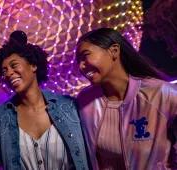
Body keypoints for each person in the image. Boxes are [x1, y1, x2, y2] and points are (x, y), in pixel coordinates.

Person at [0, 30, 90, 170]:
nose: (9, 73)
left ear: (33, 65)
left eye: (14, 65)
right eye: (4, 71)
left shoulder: (69, 107)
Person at [75, 28, 177, 169]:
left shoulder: (160, 93)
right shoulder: (85, 100)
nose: (81, 66)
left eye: (85, 56)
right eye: (78, 61)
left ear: (114, 51)